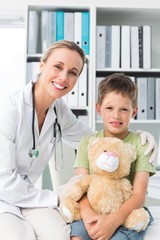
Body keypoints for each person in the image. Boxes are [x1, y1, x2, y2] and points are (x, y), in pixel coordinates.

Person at [0, 40, 156, 240]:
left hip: (29, 197)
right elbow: (3, 182)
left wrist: (140, 137)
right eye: (58, 66)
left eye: (73, 72)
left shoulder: (59, 110)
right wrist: (58, 196)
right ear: (42, 65)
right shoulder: (9, 109)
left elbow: (96, 142)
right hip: (4, 196)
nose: (64, 77)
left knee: (60, 235)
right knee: (21, 236)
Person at [70, 73, 156, 240]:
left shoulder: (141, 143)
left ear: (134, 111)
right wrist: (88, 215)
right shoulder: (87, 143)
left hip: (128, 212)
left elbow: (139, 195)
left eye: (124, 109)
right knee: (77, 236)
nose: (116, 116)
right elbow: (81, 187)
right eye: (109, 108)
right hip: (93, 208)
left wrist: (113, 221)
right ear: (98, 108)